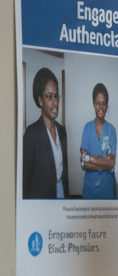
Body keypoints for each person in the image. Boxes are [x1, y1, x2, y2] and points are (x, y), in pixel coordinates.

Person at [22, 67, 68, 199]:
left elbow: (65, 178)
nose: (55, 102)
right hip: (41, 207)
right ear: (40, 101)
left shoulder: (62, 131)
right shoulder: (31, 134)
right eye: (49, 97)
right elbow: (25, 183)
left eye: (56, 96)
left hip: (61, 200)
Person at [79, 82, 118, 199]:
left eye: (103, 103)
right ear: (93, 105)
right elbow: (83, 164)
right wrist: (104, 163)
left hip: (107, 189)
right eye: (97, 103)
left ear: (107, 106)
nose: (100, 107)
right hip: (90, 189)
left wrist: (90, 158)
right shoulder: (87, 128)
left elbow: (112, 163)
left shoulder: (111, 129)